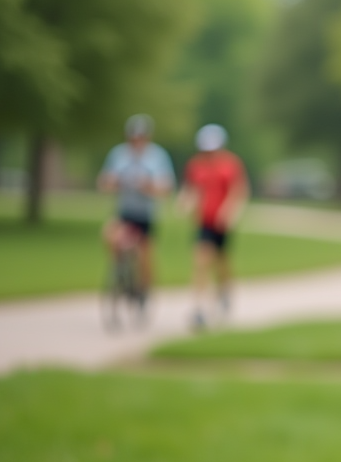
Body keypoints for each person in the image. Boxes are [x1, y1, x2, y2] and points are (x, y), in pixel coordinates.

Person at [177, 123, 249, 330]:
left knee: (221, 262)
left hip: (222, 222)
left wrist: (228, 212)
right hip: (203, 221)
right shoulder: (196, 165)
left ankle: (225, 290)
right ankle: (198, 308)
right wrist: (184, 203)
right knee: (201, 262)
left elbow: (238, 191)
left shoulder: (231, 164)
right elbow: (190, 189)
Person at [97, 114, 175, 300]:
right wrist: (111, 183)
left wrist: (149, 187)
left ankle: (143, 288)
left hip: (145, 215)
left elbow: (167, 187)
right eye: (134, 137)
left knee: (144, 253)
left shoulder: (157, 156)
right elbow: (104, 181)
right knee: (109, 235)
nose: (137, 141)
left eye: (140, 137)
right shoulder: (118, 154)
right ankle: (120, 271)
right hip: (125, 212)